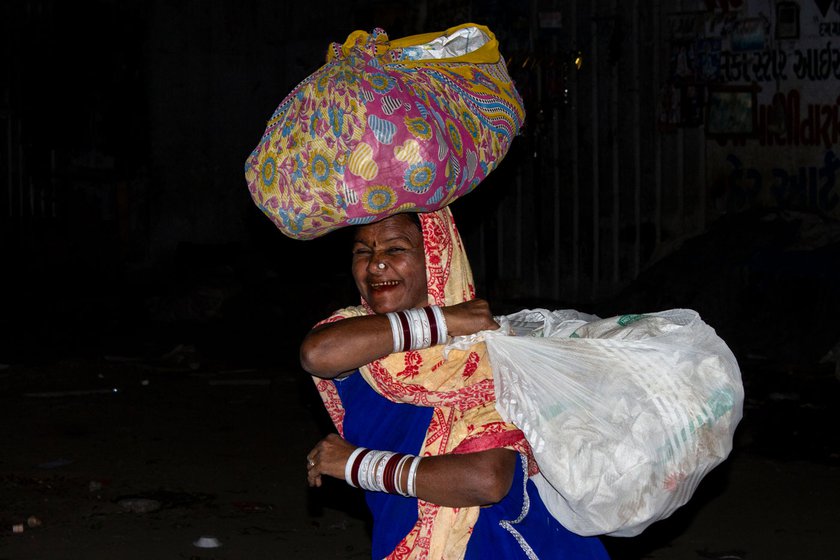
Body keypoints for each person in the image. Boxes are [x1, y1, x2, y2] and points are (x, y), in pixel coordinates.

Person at [301, 208, 609, 559]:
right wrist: (445, 319)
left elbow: (486, 479)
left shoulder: (478, 354)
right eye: (362, 251)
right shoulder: (355, 333)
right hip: (398, 539)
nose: (376, 264)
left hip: (502, 545)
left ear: (436, 255)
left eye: (396, 249)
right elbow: (318, 353)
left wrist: (357, 465)